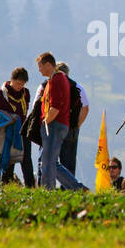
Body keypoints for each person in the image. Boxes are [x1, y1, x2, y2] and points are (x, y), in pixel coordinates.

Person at [34, 52, 87, 190]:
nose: (39, 70)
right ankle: (77, 188)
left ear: (48, 65)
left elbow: (55, 107)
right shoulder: (56, 79)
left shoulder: (57, 79)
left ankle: (47, 191)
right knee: (52, 162)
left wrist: (45, 121)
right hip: (58, 124)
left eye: (40, 66)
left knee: (47, 162)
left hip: (54, 125)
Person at [0, 68, 33, 186]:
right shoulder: (1, 94)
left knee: (26, 160)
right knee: (9, 161)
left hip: (23, 130)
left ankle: (31, 188)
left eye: (23, 84)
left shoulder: (26, 93)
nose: (20, 86)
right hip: (7, 132)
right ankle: (6, 186)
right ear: (12, 79)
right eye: (18, 83)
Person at [54, 62, 90, 177]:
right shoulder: (77, 87)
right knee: (69, 161)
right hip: (71, 128)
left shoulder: (49, 85)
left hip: (53, 126)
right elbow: (85, 108)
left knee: (49, 160)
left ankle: (47, 188)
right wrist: (77, 124)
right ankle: (69, 188)